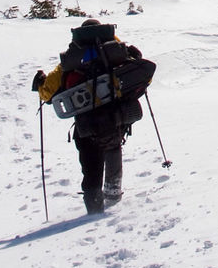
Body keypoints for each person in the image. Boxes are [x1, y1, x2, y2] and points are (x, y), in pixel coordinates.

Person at [32, 18, 144, 215]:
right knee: (113, 147)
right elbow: (139, 76)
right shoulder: (116, 52)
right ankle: (113, 198)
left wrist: (39, 84)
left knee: (90, 164)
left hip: (85, 123)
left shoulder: (73, 59)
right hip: (116, 116)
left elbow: (48, 93)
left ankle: (94, 209)